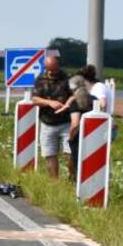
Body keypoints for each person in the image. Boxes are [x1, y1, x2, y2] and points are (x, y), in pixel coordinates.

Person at [29, 48, 72, 179]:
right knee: (49, 154)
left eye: (53, 70)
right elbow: (34, 99)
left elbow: (75, 95)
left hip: (66, 122)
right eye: (47, 69)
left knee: (70, 153)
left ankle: (72, 178)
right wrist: (50, 102)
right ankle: (54, 182)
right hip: (47, 122)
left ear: (58, 66)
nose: (50, 73)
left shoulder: (68, 78)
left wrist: (67, 105)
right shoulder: (40, 79)